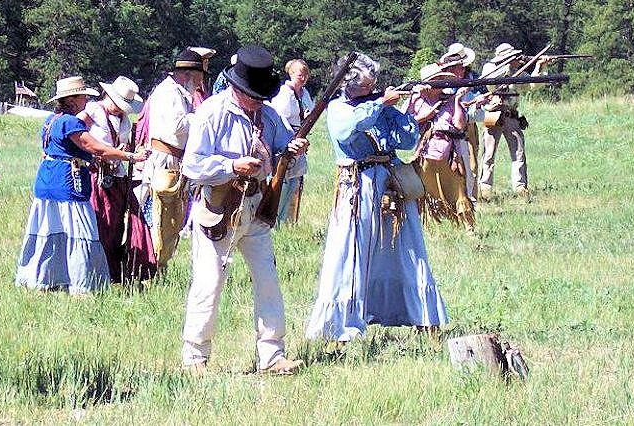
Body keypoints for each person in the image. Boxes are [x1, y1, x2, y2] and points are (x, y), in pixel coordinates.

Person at [181, 45, 308, 375]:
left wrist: (292, 147)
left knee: (268, 281)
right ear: (237, 88)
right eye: (253, 94)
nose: (258, 100)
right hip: (220, 207)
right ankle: (195, 357)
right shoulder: (211, 113)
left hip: (256, 207)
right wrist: (232, 165)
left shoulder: (267, 115)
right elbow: (193, 165)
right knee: (208, 283)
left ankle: (272, 355)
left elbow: (283, 146)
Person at [306, 53, 448, 344]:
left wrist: (408, 106)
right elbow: (347, 131)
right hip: (356, 185)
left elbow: (406, 140)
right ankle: (339, 328)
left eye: (374, 85)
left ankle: (423, 317)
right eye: (366, 85)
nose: (372, 89)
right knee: (350, 252)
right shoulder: (338, 108)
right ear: (351, 85)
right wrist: (380, 102)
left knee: (408, 246)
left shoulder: (377, 106)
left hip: (391, 182)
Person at [15, 77, 148, 295]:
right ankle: (82, 284)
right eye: (83, 95)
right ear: (73, 99)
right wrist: (129, 156)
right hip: (67, 182)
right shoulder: (70, 122)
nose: (87, 99)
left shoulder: (51, 119)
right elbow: (94, 147)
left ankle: (44, 279)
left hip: (47, 181)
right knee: (80, 232)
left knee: (50, 232)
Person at [136, 49, 206, 269]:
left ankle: (158, 264)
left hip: (172, 160)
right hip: (164, 161)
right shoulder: (169, 93)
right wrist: (202, 118)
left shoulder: (176, 92)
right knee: (159, 216)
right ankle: (149, 264)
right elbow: (177, 126)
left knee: (171, 219)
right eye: (199, 78)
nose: (200, 84)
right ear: (188, 75)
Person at [78, 76, 151, 284]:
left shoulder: (125, 120)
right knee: (99, 224)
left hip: (117, 179)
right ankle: (92, 273)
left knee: (116, 227)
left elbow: (123, 148)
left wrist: (129, 154)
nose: (120, 109)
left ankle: (112, 273)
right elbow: (76, 133)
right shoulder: (92, 110)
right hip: (96, 177)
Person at [410, 43, 485, 234]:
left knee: (460, 189)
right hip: (426, 152)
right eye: (437, 79)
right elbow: (407, 122)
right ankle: (422, 229)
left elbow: (460, 124)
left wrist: (458, 100)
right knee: (423, 190)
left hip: (450, 153)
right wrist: (426, 114)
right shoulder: (417, 99)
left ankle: (469, 229)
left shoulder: (450, 99)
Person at [478, 43, 551, 197]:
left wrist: (540, 67)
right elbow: (489, 84)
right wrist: (508, 67)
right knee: (488, 154)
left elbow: (533, 85)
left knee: (518, 153)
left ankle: (520, 187)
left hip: (512, 115)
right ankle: (485, 188)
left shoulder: (518, 71)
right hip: (494, 114)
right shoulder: (491, 68)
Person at [268, 59, 314, 224]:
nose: (303, 78)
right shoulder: (284, 93)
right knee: (281, 182)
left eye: (305, 75)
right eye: (300, 75)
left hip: (300, 142)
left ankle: (287, 222)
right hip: (285, 142)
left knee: (294, 183)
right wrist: (291, 140)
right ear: (292, 74)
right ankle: (273, 219)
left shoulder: (305, 94)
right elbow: (279, 119)